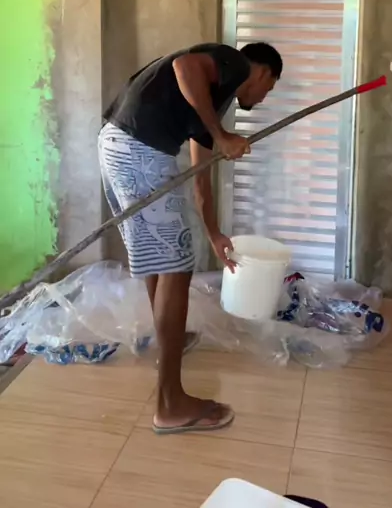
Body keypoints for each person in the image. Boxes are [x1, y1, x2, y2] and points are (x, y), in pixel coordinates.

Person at [98, 41, 283, 435]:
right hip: (140, 152)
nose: (263, 97)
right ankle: (170, 405)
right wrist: (222, 133)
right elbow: (184, 66)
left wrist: (214, 233)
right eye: (268, 88)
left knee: (159, 257)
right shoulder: (234, 64)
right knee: (176, 267)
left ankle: (170, 339)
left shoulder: (206, 103)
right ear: (263, 72)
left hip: (116, 146)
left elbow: (201, 180)